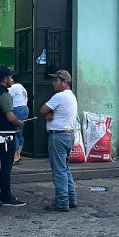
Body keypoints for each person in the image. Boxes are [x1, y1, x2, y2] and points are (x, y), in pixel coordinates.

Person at [0, 66, 26, 207]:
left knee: (4, 164)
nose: (12, 80)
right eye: (10, 77)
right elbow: (10, 117)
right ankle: (6, 196)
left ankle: (5, 195)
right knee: (7, 166)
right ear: (5, 79)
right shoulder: (4, 94)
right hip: (6, 133)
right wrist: (19, 122)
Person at [39, 70, 78, 212]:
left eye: (56, 80)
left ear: (65, 82)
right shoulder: (71, 96)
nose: (53, 83)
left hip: (58, 137)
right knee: (65, 168)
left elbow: (43, 109)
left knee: (59, 170)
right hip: (68, 136)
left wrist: (48, 113)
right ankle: (72, 198)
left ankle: (62, 201)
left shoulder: (59, 96)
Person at [8, 73, 29, 163]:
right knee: (20, 132)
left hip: (17, 109)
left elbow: (5, 95)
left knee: (14, 132)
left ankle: (15, 155)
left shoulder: (13, 87)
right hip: (25, 109)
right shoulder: (22, 87)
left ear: (12, 79)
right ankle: (18, 154)